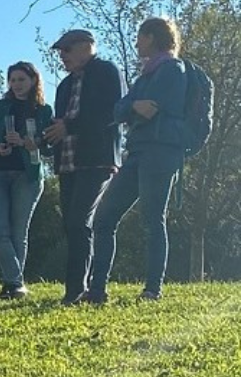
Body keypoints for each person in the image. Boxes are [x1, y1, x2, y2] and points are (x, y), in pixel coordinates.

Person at [90, 18, 188, 303]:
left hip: (161, 152)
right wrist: (133, 105)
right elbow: (120, 110)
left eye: (139, 37)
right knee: (104, 218)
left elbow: (149, 110)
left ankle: (152, 290)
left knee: (152, 219)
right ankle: (97, 290)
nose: (136, 43)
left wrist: (131, 107)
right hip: (136, 153)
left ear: (152, 37)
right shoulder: (146, 75)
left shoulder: (173, 70)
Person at [43, 29, 124, 306]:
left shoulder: (106, 72)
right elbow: (60, 123)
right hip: (67, 162)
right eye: (60, 52)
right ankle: (79, 289)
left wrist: (69, 127)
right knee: (72, 225)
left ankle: (79, 290)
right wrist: (48, 139)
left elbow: (109, 114)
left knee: (79, 221)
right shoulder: (64, 85)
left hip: (96, 159)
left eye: (66, 50)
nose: (62, 56)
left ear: (86, 47)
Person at [0, 62, 54, 300]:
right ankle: (16, 282)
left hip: (27, 175)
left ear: (33, 81)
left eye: (22, 79)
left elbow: (50, 147)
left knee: (19, 232)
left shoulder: (43, 110)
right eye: (13, 80)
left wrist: (34, 142)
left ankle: (13, 285)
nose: (17, 84)